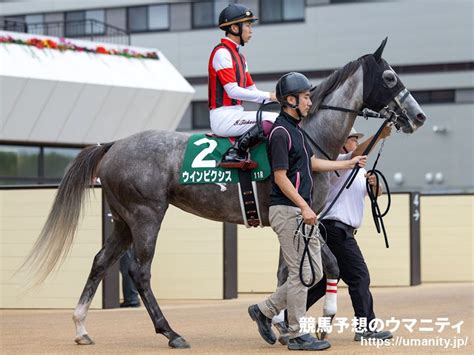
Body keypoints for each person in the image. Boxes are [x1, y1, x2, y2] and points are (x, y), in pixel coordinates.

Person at [247, 72, 367, 351]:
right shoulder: (279, 132)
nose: (310, 102)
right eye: (306, 97)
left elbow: (312, 163)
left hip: (301, 213)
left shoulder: (298, 131)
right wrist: (304, 206)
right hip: (289, 211)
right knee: (301, 274)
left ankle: (264, 310)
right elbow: (280, 176)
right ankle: (297, 333)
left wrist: (347, 165)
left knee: (312, 274)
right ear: (290, 100)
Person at [306, 126, 394, 341]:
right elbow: (356, 155)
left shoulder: (358, 170)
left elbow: (374, 194)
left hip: (339, 230)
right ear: (343, 143)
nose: (355, 142)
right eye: (352, 139)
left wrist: (375, 184)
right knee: (359, 276)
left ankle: (284, 314)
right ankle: (365, 328)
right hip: (335, 229)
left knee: (324, 280)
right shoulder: (338, 162)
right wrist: (378, 135)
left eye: (356, 139)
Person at [208, 4, 278, 169]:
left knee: (278, 116)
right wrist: (269, 96)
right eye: (247, 25)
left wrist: (283, 99)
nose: (251, 30)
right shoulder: (222, 53)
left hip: (236, 115)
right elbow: (232, 91)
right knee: (272, 119)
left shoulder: (240, 56)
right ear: (234, 28)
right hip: (223, 118)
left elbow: (251, 90)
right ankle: (236, 152)